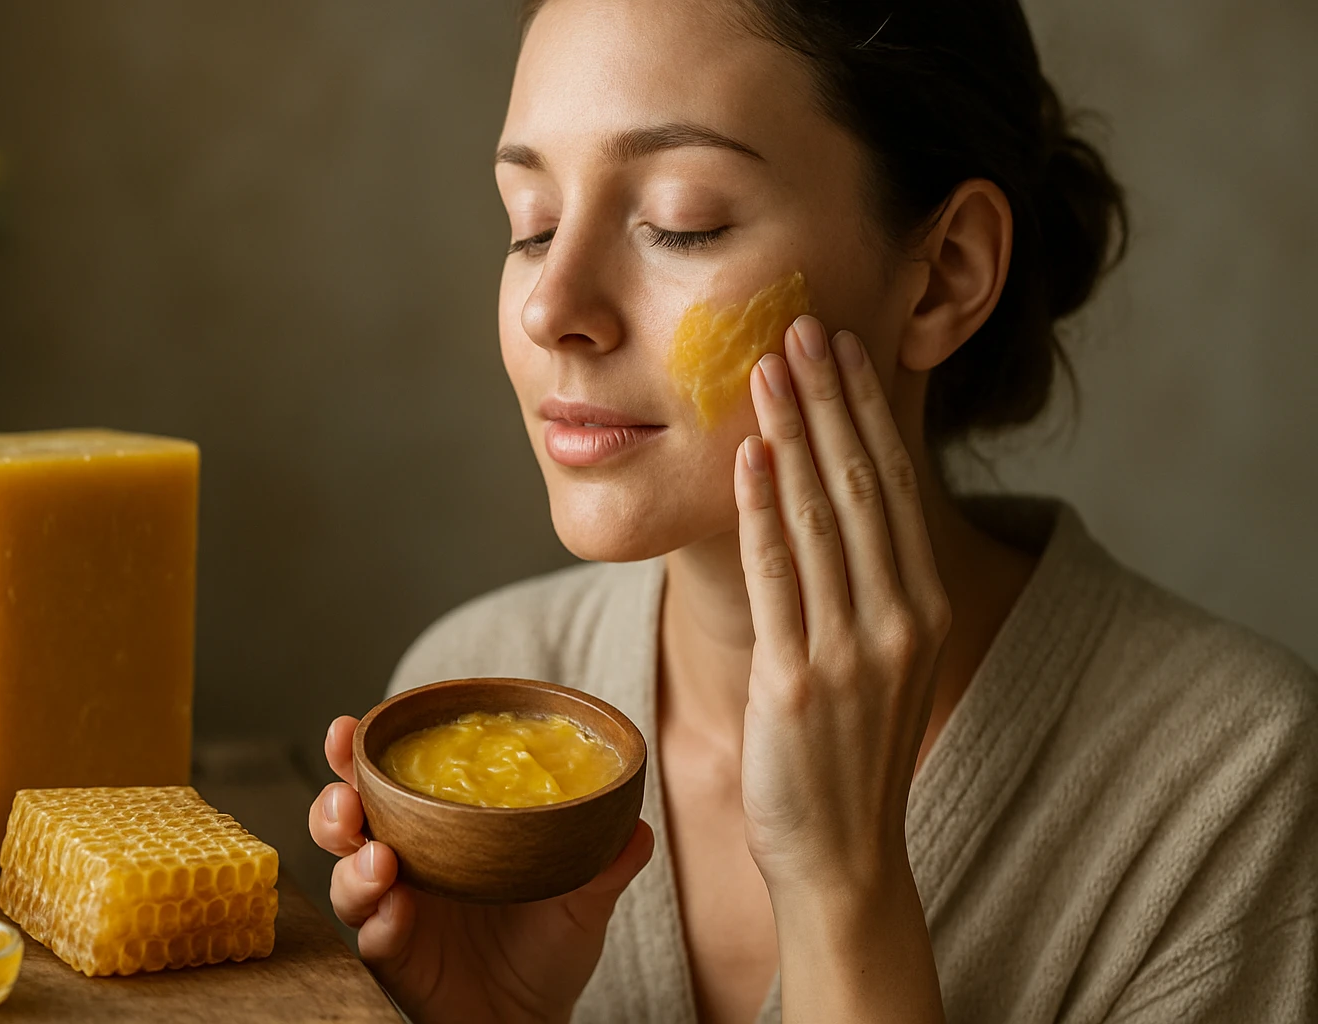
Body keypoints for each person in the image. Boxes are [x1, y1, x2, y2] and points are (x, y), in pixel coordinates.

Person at [308, 1, 1318, 1021]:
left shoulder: (1232, 783)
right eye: (530, 225)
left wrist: (844, 889)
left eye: (681, 219)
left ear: (944, 278)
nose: (549, 306)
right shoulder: (469, 706)